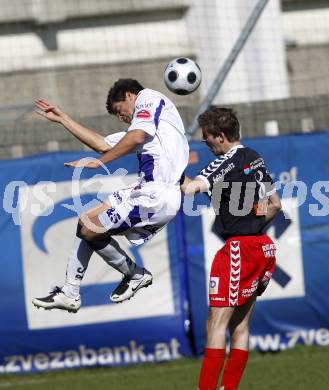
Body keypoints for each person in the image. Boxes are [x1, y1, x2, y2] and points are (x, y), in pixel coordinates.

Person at [32, 78, 189, 312]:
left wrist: (100, 164)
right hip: (144, 189)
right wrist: (63, 119)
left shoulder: (148, 98)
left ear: (129, 95)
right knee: (86, 220)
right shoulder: (149, 126)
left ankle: (135, 275)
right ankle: (70, 292)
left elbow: (129, 140)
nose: (121, 117)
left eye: (119, 111)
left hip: (156, 194)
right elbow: (104, 144)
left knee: (90, 230)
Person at [181, 107, 281, 390]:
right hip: (262, 248)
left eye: (207, 138)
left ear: (221, 137)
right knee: (240, 326)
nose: (205, 142)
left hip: (239, 249)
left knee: (216, 324)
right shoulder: (253, 157)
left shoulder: (223, 162)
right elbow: (275, 205)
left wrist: (164, 167)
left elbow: (189, 189)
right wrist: (254, 226)